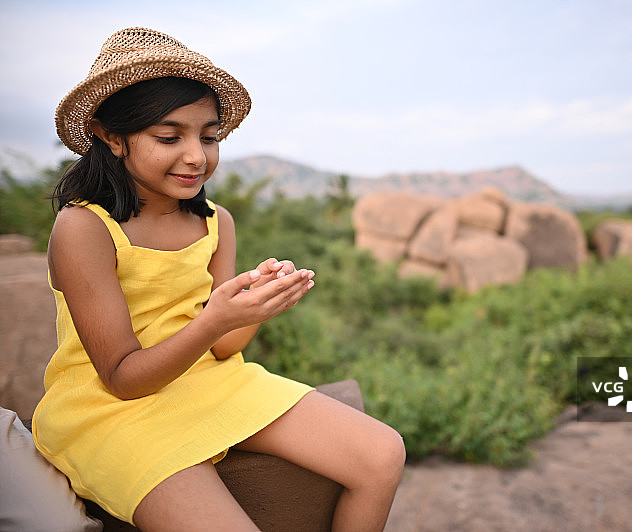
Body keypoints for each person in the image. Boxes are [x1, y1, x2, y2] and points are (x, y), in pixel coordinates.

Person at [32, 27, 405, 532]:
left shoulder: (215, 221)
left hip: (206, 382)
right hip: (113, 409)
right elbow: (121, 378)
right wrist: (215, 321)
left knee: (382, 453)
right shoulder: (84, 228)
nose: (195, 156)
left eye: (208, 137)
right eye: (169, 137)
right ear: (111, 136)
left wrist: (253, 307)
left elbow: (224, 347)